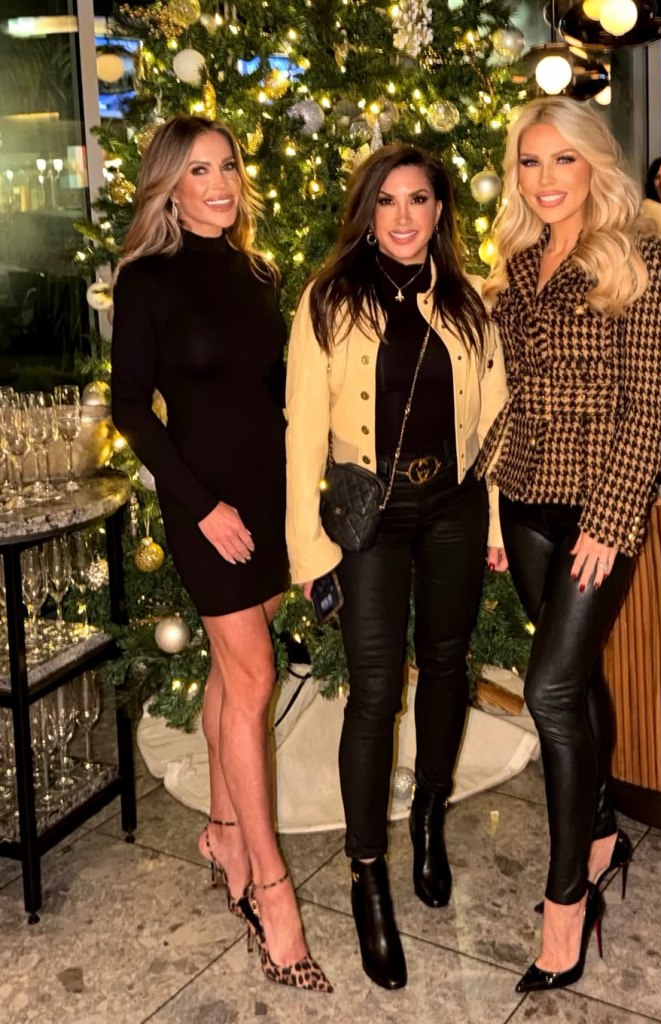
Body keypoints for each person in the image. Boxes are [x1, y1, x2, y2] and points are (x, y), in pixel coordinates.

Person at [110, 115, 331, 993]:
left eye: (228, 165)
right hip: (207, 509)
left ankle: (222, 831)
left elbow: (274, 395)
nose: (221, 181)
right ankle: (271, 895)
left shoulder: (260, 274)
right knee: (253, 679)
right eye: (198, 169)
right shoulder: (146, 280)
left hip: (273, 501)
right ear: (168, 185)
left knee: (230, 677)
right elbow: (132, 409)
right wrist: (201, 509)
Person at [285, 143, 508, 990]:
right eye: (388, 202)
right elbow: (301, 432)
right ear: (366, 213)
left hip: (451, 509)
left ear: (440, 211)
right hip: (368, 518)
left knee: (447, 665)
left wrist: (488, 517)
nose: (405, 217)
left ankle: (426, 819)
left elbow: (493, 419)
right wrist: (309, 550)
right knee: (376, 691)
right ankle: (366, 870)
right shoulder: (328, 301)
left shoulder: (467, 301)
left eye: (419, 200)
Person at [477, 96, 661, 993]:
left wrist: (610, 518)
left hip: (600, 501)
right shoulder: (517, 260)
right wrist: (491, 505)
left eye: (563, 160)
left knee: (551, 691)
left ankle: (568, 904)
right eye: (529, 162)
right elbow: (505, 392)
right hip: (524, 496)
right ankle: (600, 830)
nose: (546, 179)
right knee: (581, 676)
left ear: (596, 163)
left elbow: (649, 404)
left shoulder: (644, 254)